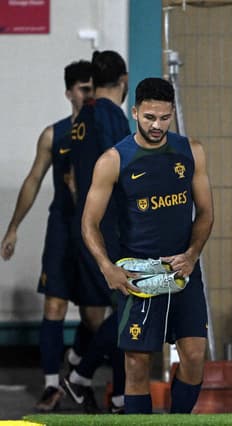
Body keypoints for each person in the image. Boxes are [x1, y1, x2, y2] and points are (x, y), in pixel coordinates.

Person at [81, 77, 214, 414]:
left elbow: (207, 213)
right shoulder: (113, 160)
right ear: (135, 112)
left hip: (183, 272)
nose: (157, 125)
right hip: (138, 277)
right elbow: (89, 223)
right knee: (137, 365)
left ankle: (179, 421)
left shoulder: (191, 151)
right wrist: (107, 267)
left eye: (164, 118)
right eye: (150, 117)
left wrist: (192, 254)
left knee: (196, 356)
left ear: (172, 115)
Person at [0, 60, 95, 412]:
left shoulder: (106, 131)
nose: (87, 95)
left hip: (94, 232)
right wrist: (13, 228)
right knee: (54, 306)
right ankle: (52, 384)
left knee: (93, 316)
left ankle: (78, 363)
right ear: (69, 92)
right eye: (82, 89)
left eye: (92, 88)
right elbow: (33, 180)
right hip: (62, 229)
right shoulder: (54, 135)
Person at [59, 50, 129, 414]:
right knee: (128, 305)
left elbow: (73, 176)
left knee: (115, 309)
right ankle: (82, 373)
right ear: (125, 81)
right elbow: (126, 169)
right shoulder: (110, 116)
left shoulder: (82, 117)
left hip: (83, 226)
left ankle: (115, 396)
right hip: (108, 227)